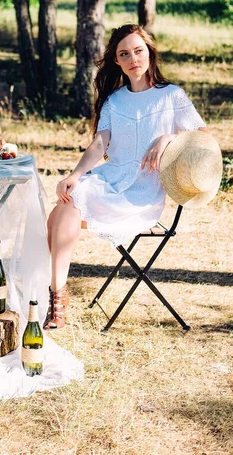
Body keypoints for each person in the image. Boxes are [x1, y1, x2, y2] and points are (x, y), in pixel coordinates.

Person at [44, 24, 207, 330]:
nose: (133, 58)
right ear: (116, 61)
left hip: (142, 193)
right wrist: (76, 174)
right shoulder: (114, 101)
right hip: (109, 180)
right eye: (124, 54)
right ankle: (57, 297)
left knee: (60, 214)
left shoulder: (171, 96)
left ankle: (55, 300)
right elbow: (100, 144)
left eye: (138, 51)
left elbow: (202, 137)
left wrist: (168, 138)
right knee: (67, 199)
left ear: (149, 53)